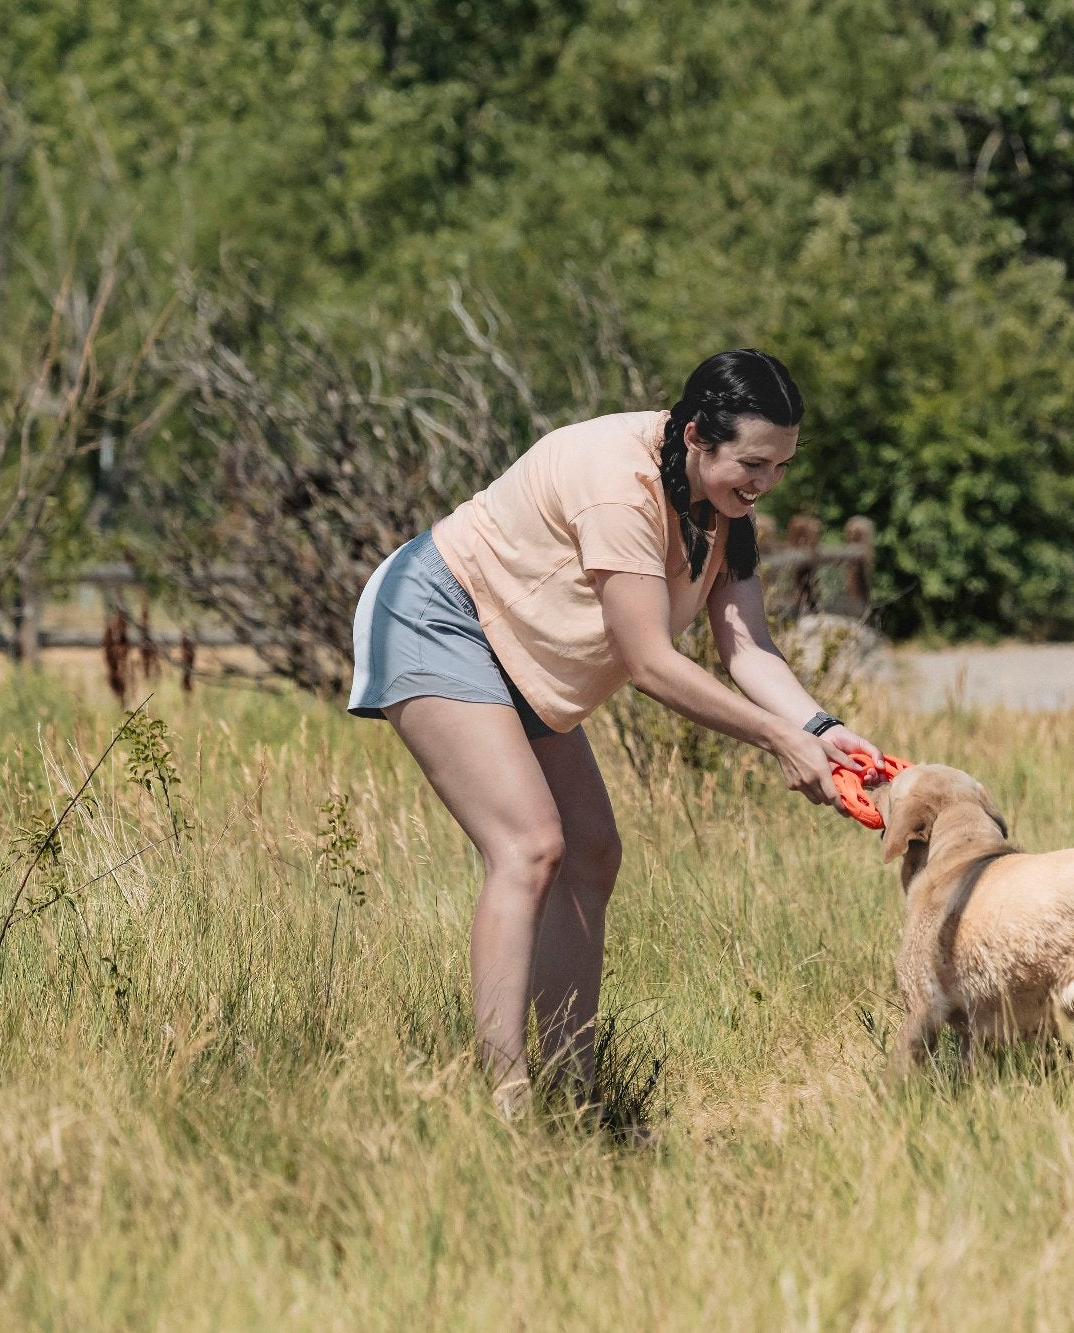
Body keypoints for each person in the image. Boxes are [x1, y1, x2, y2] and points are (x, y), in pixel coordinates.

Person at [348, 349, 879, 1111]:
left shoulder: (723, 509)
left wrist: (822, 727)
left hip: (522, 652)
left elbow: (748, 648)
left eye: (781, 467)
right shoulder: (616, 480)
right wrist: (778, 740)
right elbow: (651, 662)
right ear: (697, 434)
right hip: (439, 615)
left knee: (591, 851)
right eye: (754, 464)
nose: (766, 485)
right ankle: (505, 1101)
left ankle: (575, 1098)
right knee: (529, 846)